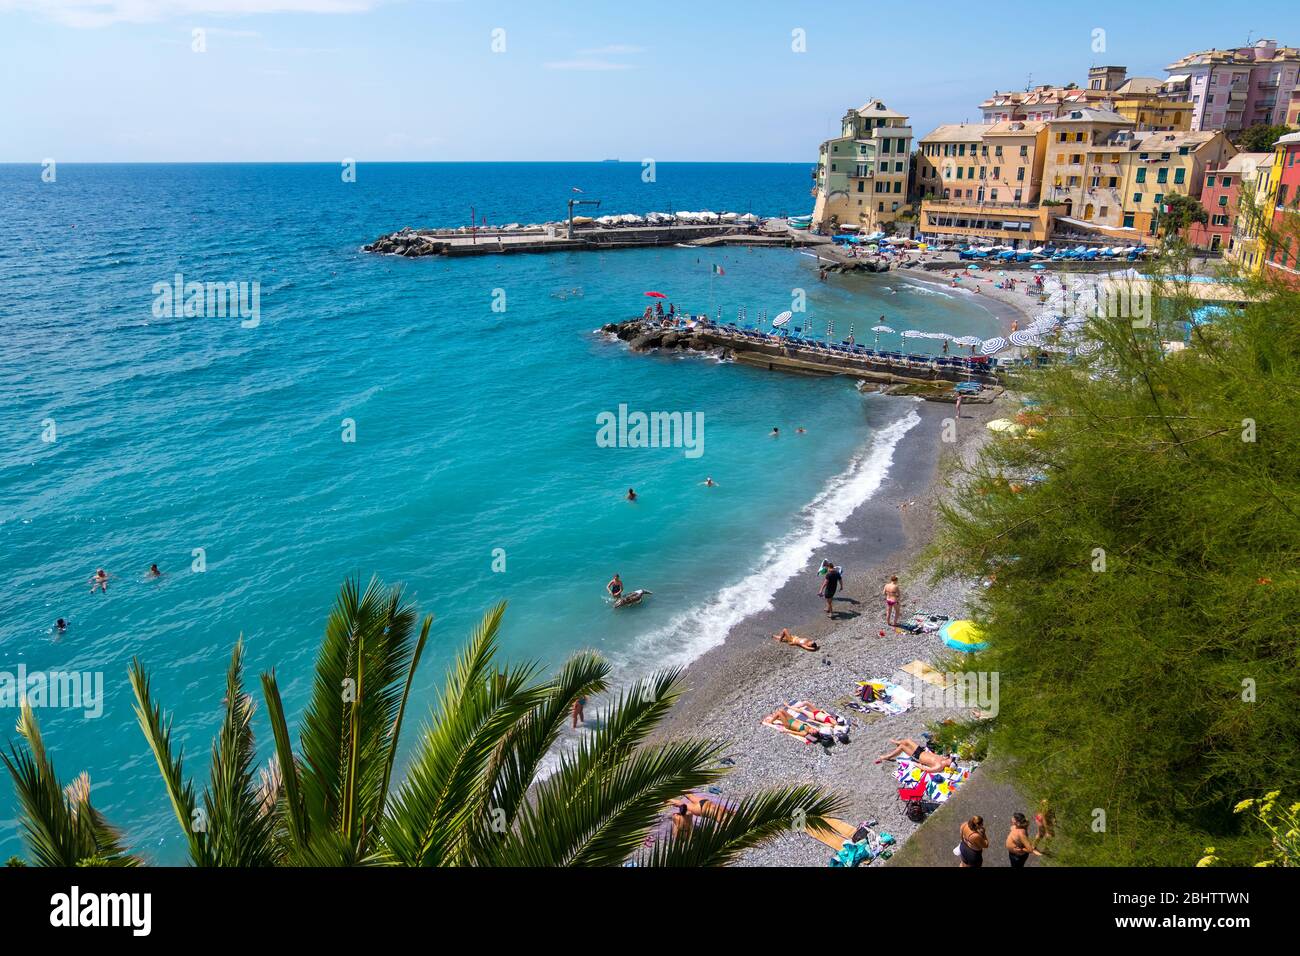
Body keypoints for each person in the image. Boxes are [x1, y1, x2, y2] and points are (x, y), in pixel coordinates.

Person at [874, 738, 954, 771]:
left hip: (918, 757)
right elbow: (947, 752)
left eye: (951, 760)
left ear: (949, 764)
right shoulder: (944, 758)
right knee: (908, 740)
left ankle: (886, 757)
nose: (951, 758)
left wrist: (916, 764)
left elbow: (927, 769)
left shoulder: (939, 766)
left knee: (902, 747)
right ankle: (896, 742)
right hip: (922, 751)